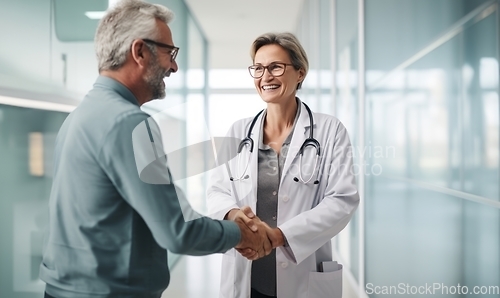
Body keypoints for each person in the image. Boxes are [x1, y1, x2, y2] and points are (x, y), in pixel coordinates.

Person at [39, 1, 271, 298]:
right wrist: (241, 233)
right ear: (139, 51)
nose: (173, 66)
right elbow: (178, 232)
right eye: (168, 52)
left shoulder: (80, 116)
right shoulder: (129, 123)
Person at [206, 32, 360, 298]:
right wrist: (236, 218)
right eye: (258, 68)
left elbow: (342, 200)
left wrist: (279, 236)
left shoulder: (329, 130)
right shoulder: (238, 131)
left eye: (276, 67)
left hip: (303, 276)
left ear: (300, 73)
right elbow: (217, 191)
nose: (266, 76)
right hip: (247, 274)